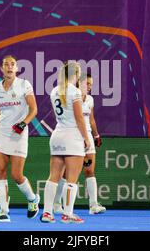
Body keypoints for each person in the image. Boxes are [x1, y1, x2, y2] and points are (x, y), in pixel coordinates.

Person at [40, 61, 92, 224]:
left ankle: (47, 213)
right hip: (72, 137)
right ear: (76, 75)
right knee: (72, 180)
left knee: (53, 177)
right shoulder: (75, 91)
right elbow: (79, 118)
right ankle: (68, 214)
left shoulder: (55, 90)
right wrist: (87, 139)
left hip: (57, 136)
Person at [0, 55, 39, 223]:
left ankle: (32, 199)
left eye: (12, 64)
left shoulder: (24, 84)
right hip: (2, 133)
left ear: (17, 68)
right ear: (1, 68)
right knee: (0, 171)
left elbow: (34, 109)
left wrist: (23, 124)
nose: (9, 67)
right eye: (6, 64)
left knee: (17, 175)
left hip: (19, 133)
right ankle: (3, 211)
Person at [53, 73, 106, 215]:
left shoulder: (90, 100)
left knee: (89, 170)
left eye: (91, 85)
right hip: (73, 137)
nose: (89, 87)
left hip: (87, 137)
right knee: (64, 173)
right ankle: (57, 204)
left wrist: (96, 135)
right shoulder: (71, 96)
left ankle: (93, 205)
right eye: (87, 83)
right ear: (78, 83)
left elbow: (91, 120)